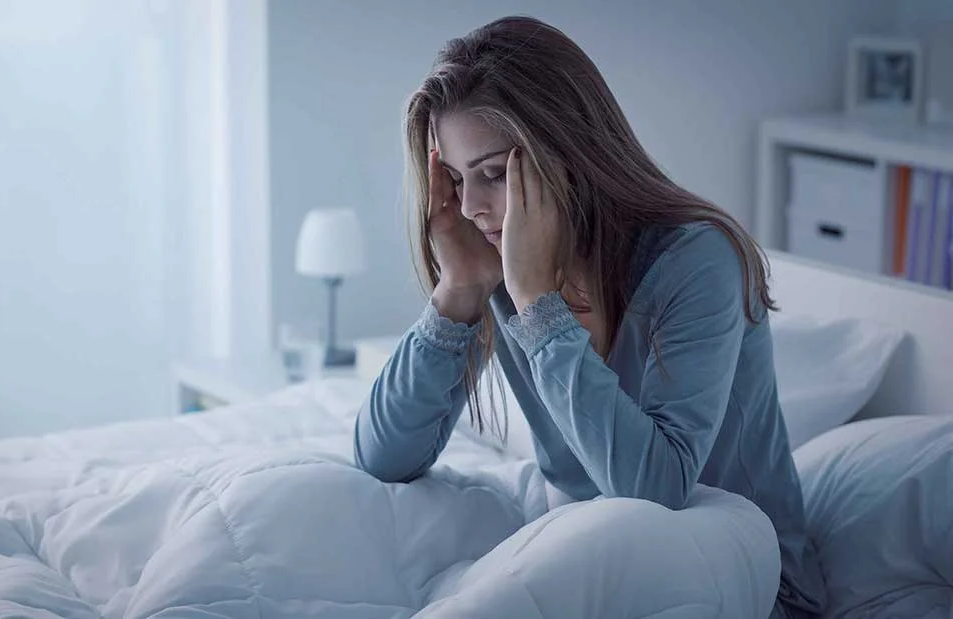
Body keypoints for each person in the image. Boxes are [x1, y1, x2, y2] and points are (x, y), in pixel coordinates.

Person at [353, 15, 826, 619]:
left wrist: (538, 307)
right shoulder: (496, 265)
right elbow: (382, 457)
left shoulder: (698, 261)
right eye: (454, 181)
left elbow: (654, 491)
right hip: (593, 570)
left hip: (751, 583)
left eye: (494, 175)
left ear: (568, 153)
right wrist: (458, 288)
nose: (470, 207)